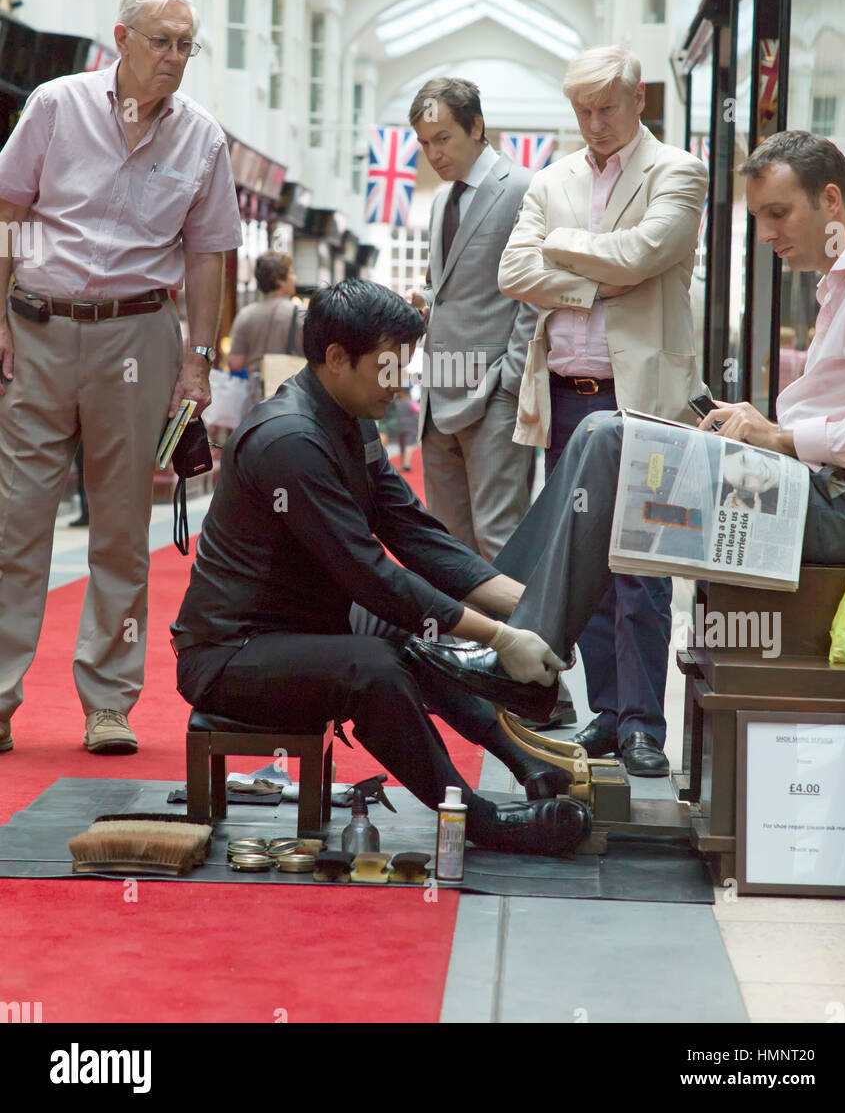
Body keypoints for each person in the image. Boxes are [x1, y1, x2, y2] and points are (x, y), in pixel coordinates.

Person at [171, 279, 590, 857]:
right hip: (229, 655)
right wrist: (498, 635)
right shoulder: (288, 441)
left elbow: (412, 531)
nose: (400, 383)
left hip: (300, 631)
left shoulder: (351, 418)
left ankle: (527, 763)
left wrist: (529, 607)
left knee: (400, 633)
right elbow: (370, 575)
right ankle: (477, 819)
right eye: (389, 368)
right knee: (374, 665)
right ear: (337, 359)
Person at [494, 129, 845, 700]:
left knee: (614, 442)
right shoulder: (837, 283)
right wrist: (759, 426)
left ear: (832, 201)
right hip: (816, 488)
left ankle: (516, 640)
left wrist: (783, 437)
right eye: (760, 216)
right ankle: (521, 636)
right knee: (601, 431)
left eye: (778, 213)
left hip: (841, 510)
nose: (766, 233)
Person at [0, 0, 241, 756]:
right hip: (36, 330)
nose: (174, 59)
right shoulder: (55, 105)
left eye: (185, 46)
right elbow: (6, 211)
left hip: (139, 339)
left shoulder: (202, 138)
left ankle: (109, 702)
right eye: (162, 42)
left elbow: (209, 257)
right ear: (122, 39)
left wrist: (198, 364)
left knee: (118, 529)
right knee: (17, 523)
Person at [498, 46, 708, 775]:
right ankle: (608, 715)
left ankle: (646, 724)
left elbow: (644, 253)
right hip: (564, 400)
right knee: (582, 569)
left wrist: (560, 249)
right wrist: (591, 284)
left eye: (606, 108)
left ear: (637, 100)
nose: (593, 123)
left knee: (642, 570)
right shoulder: (551, 178)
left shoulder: (676, 171)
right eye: (581, 110)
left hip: (638, 403)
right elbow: (511, 271)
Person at [408, 77, 536, 563]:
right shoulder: (442, 199)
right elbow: (444, 287)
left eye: (443, 139)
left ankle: (518, 642)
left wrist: (511, 380)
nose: (433, 154)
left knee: (500, 538)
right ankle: (462, 641)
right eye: (424, 143)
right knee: (447, 541)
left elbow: (534, 294)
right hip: (440, 388)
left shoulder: (523, 187)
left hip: (493, 392)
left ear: (476, 126)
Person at [228, 250, 305, 401]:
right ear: (279, 280)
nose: (294, 278)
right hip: (291, 395)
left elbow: (235, 363)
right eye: (291, 273)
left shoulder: (245, 315)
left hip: (254, 397)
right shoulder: (301, 313)